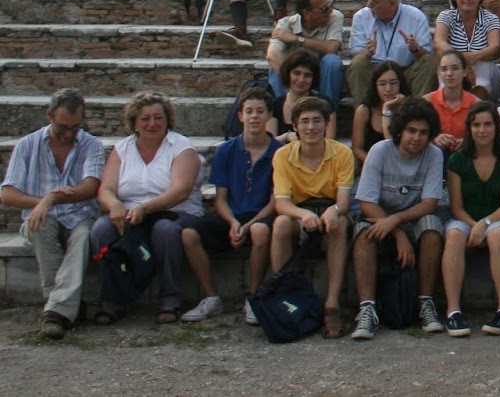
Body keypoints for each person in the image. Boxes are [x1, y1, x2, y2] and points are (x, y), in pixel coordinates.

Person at [89, 93, 204, 325]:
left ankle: (170, 298)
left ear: (167, 119)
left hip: (174, 211)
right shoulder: (122, 149)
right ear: (134, 122)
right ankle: (111, 299)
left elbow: (180, 190)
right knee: (101, 230)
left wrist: (145, 208)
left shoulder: (181, 146)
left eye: (158, 118)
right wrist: (114, 205)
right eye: (145, 119)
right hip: (131, 213)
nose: (152, 124)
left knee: (165, 230)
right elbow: (106, 189)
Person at [1, 89, 106, 339]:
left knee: (83, 236)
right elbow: (7, 193)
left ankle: (55, 310)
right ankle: (65, 307)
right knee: (40, 225)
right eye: (62, 127)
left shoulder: (91, 144)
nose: (69, 133)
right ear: (49, 115)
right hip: (42, 217)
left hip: (80, 214)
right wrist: (43, 204)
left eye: (75, 127)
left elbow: (91, 187)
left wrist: (52, 198)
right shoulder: (28, 144)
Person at [177, 84, 280, 319]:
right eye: (250, 111)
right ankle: (211, 297)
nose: (254, 116)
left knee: (260, 232)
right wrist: (233, 222)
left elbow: (275, 200)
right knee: (188, 234)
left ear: (269, 116)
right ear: (240, 115)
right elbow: (220, 198)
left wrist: (248, 224)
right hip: (232, 215)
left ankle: (253, 298)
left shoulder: (280, 151)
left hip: (262, 215)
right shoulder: (226, 150)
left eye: (260, 111)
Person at [349, 96, 446, 338]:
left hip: (412, 217)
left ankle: (426, 302)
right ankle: (367, 308)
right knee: (364, 234)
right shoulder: (380, 151)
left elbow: (430, 203)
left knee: (433, 227)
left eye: (423, 132)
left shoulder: (434, 154)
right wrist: (396, 230)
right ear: (399, 131)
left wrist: (397, 222)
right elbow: (366, 201)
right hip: (379, 216)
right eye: (411, 131)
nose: (417, 138)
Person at [268, 95, 355, 337]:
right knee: (281, 224)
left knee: (338, 224)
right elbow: (282, 203)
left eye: (317, 121)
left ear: (327, 124)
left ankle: (332, 304)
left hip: (330, 206)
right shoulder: (283, 155)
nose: (311, 127)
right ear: (294, 126)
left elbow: (344, 202)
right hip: (299, 210)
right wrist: (303, 214)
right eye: (304, 122)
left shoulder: (342, 153)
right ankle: (283, 296)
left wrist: (334, 210)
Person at [438, 102, 500, 338]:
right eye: (476, 125)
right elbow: (456, 207)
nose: (482, 130)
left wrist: (484, 224)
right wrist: (474, 225)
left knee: (497, 233)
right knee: (454, 233)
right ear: (469, 128)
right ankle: (453, 311)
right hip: (466, 219)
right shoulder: (457, 160)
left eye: (487, 124)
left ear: (497, 128)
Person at [347, 0, 437, 104]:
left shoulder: (415, 16)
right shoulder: (361, 16)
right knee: (358, 62)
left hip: (404, 73)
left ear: (392, 3)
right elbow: (355, 54)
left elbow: (426, 57)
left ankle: (418, 111)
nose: (369, 5)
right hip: (374, 72)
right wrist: (368, 52)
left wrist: (415, 48)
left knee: (430, 61)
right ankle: (364, 112)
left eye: (375, 2)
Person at [267, 0, 345, 103]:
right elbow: (272, 55)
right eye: (324, 9)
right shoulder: (285, 24)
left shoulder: (334, 17)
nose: (330, 10)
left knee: (332, 61)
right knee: (275, 69)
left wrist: (296, 39)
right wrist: (295, 84)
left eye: (330, 4)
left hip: (320, 78)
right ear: (307, 13)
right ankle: (287, 110)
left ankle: (328, 110)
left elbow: (332, 48)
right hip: (294, 82)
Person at [434, 0, 500, 99]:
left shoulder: (490, 18)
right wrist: (462, 62)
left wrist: (473, 58)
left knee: (484, 68)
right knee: (448, 67)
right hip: (456, 68)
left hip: (486, 71)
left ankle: (476, 105)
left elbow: (495, 46)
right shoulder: (446, 16)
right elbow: (439, 42)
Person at [351, 61, 406, 167]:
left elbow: (392, 146)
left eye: (393, 83)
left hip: (401, 165)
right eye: (382, 84)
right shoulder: (364, 110)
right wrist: (375, 166)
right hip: (371, 164)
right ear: (375, 86)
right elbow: (358, 149)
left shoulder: (408, 109)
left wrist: (387, 108)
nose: (388, 89)